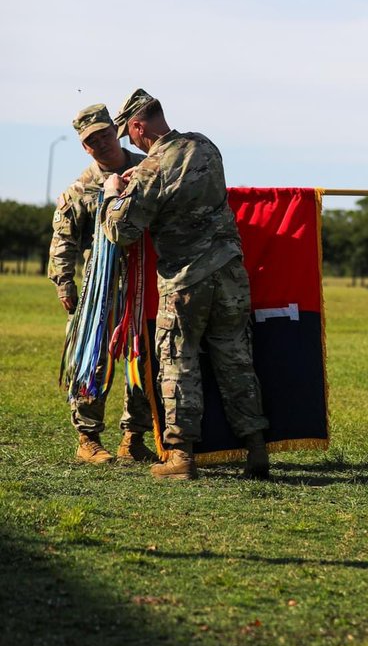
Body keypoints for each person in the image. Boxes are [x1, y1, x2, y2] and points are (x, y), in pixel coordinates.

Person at [101, 89, 269, 481]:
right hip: (230, 273)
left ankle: (180, 456)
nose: (133, 142)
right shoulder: (206, 146)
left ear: (139, 125)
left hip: (186, 280)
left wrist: (112, 196)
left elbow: (123, 230)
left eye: (130, 134)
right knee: (236, 359)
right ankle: (256, 447)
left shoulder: (151, 167)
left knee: (179, 362)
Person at [48, 103, 155, 465]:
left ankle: (134, 438)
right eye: (92, 141)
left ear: (116, 131)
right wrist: (64, 282)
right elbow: (64, 240)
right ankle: (88, 438)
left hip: (148, 280)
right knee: (95, 356)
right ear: (85, 147)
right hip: (101, 284)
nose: (102, 143)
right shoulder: (81, 188)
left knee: (144, 358)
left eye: (105, 134)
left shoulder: (148, 168)